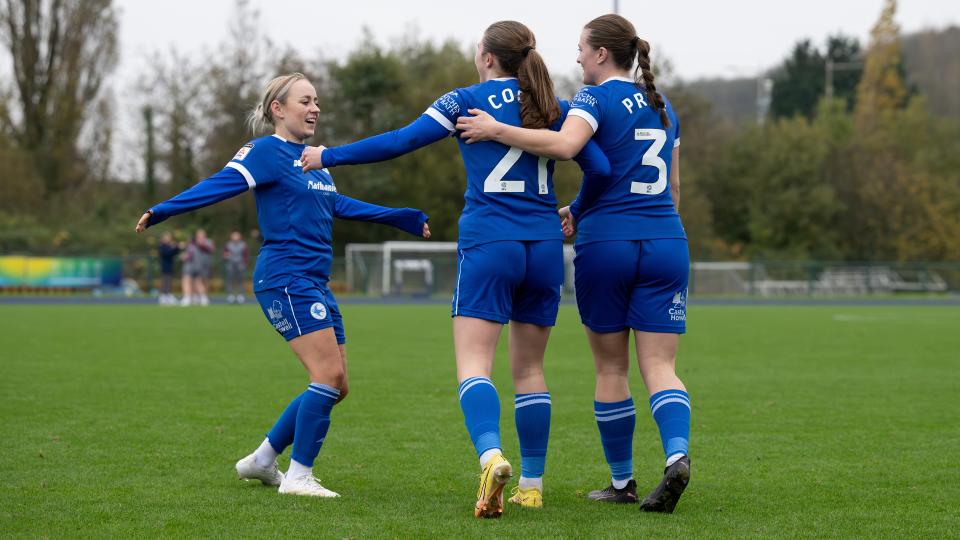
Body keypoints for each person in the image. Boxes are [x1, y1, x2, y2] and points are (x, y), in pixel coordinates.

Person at [300, 21, 610, 517]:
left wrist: (327, 155)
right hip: (546, 248)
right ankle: (532, 484)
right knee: (530, 369)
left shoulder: (465, 100)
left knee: (473, 365)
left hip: (490, 242)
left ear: (487, 57)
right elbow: (600, 168)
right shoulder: (557, 106)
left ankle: (491, 457)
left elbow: (401, 140)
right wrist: (576, 209)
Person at [135, 72, 431, 497]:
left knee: (338, 384)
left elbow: (338, 205)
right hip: (285, 278)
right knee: (327, 375)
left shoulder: (313, 160)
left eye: (317, 102)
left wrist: (402, 216)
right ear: (278, 109)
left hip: (313, 281)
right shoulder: (266, 151)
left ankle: (261, 460)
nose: (315, 108)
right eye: (305, 101)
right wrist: (163, 210)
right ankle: (298, 476)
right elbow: (220, 185)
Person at [455, 14, 692, 514]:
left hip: (608, 244)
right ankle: (676, 456)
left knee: (611, 366)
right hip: (668, 239)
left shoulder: (593, 98)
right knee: (661, 365)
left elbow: (567, 148)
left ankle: (623, 482)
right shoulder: (663, 104)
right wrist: (581, 209)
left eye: (582, 49)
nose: (578, 57)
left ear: (602, 54)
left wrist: (497, 129)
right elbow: (673, 190)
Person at [182, 229, 214, 306]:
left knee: (199, 282)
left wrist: (201, 244)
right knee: (187, 280)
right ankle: (188, 298)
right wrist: (186, 257)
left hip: (202, 265)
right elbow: (190, 253)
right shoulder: (192, 243)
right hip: (190, 265)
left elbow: (211, 250)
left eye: (202, 235)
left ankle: (203, 298)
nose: (200, 236)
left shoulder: (208, 242)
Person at [223, 230, 249, 303]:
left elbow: (246, 255)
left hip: (240, 264)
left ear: (240, 237)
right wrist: (225, 256)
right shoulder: (228, 244)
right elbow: (224, 254)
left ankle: (240, 295)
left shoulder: (243, 245)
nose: (235, 237)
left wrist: (245, 263)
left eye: (237, 236)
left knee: (240, 280)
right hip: (230, 264)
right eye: (234, 236)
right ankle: (230, 295)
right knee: (230, 279)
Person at [157, 232, 183, 305]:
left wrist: (177, 248)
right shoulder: (162, 246)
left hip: (170, 266)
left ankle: (167, 296)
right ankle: (164, 297)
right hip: (165, 267)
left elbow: (174, 253)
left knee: (168, 281)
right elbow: (168, 253)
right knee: (165, 282)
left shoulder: (168, 245)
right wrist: (176, 247)